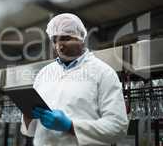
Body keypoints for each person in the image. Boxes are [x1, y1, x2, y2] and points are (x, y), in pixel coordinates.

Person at [20, 13, 129, 146]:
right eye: (55, 40)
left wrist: (70, 126)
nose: (59, 45)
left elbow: (117, 127)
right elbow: (30, 132)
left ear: (80, 39)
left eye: (65, 38)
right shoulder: (44, 74)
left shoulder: (103, 73)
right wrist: (28, 117)